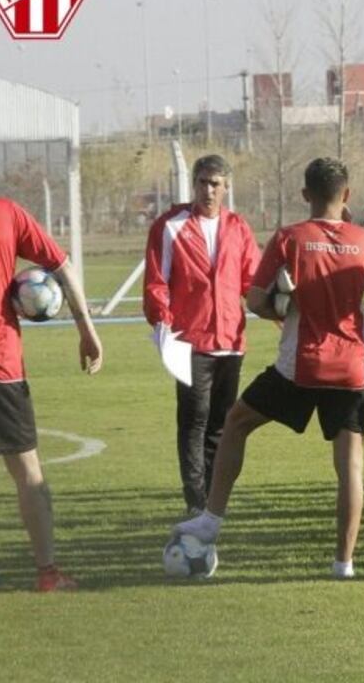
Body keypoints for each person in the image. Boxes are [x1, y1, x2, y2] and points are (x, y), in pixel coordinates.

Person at [173, 158, 364, 580]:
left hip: (301, 363)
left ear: (305, 195)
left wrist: (282, 305)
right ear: (346, 195)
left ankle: (211, 519)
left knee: (235, 423)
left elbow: (254, 301)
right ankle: (343, 563)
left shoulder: (290, 238)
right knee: (350, 466)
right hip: (351, 366)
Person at [0, 149, 103, 596]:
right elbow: (61, 265)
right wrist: (86, 329)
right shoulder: (2, 211)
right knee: (26, 467)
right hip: (0, 363)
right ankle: (47, 572)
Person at [143, 155, 260, 515]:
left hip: (231, 341)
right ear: (193, 184)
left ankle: (214, 497)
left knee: (222, 424)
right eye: (203, 182)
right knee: (193, 419)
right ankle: (196, 500)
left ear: (227, 188)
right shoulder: (170, 226)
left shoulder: (238, 228)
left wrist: (280, 304)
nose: (208, 190)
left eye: (216, 184)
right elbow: (156, 282)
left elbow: (251, 280)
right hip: (189, 341)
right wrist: (163, 322)